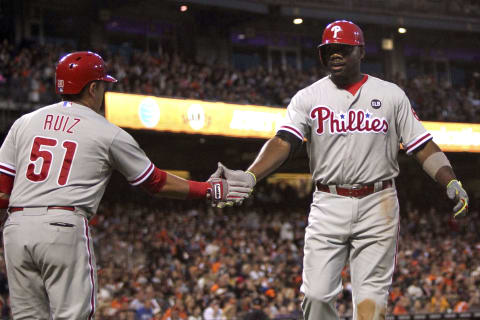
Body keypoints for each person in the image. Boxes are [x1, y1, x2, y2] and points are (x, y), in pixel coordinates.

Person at [213, 20, 469, 320]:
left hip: (379, 202)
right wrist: (251, 174)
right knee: (316, 296)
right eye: (329, 50)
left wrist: (450, 181)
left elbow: (422, 145)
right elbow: (284, 140)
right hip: (328, 200)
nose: (335, 55)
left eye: (342, 49)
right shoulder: (308, 97)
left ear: (360, 51)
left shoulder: (390, 95)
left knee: (370, 305)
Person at [0, 51, 251, 319]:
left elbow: (3, 190)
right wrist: (209, 189)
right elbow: (154, 182)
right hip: (63, 225)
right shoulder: (107, 131)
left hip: (16, 227)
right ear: (93, 87)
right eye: (103, 85)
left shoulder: (24, 123)